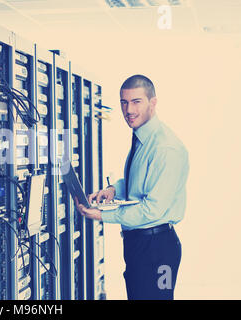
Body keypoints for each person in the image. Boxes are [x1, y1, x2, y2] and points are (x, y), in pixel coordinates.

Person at [75, 74, 189, 300]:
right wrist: (112, 190)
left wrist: (102, 215)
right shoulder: (143, 138)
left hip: (157, 250)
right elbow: (138, 181)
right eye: (124, 102)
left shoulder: (165, 148)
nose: (129, 110)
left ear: (152, 103)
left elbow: (152, 210)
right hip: (140, 244)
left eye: (136, 101)